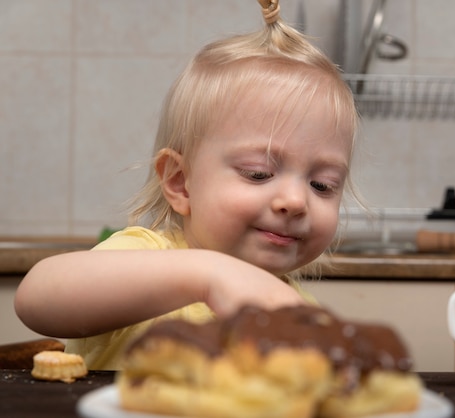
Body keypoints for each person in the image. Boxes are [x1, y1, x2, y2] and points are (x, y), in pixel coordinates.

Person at [14, 0, 359, 370]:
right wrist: (209, 276)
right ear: (180, 182)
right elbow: (38, 299)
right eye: (258, 173)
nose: (295, 200)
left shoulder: (299, 312)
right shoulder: (147, 257)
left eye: (322, 185)